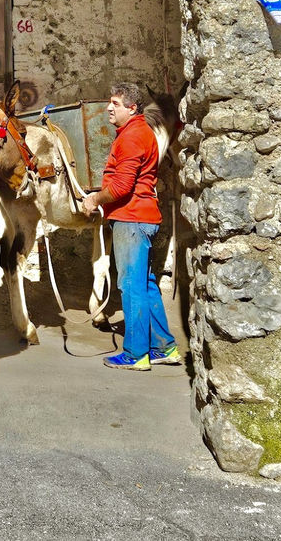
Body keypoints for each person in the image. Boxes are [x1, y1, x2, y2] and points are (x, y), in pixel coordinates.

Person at [82, 82, 181, 371]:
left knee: (130, 286)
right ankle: (164, 347)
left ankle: (136, 353)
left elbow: (122, 187)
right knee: (147, 285)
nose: (109, 108)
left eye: (116, 103)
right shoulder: (139, 133)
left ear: (132, 108)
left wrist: (95, 199)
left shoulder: (131, 138)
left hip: (131, 219)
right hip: (142, 218)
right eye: (110, 101)